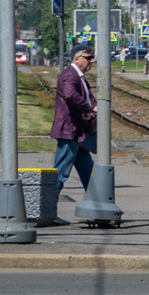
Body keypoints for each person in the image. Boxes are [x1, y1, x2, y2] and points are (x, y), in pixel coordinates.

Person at [50, 46, 98, 196]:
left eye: (92, 58)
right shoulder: (70, 75)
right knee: (60, 173)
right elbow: (70, 95)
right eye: (88, 58)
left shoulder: (79, 76)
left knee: (89, 173)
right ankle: (45, 211)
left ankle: (98, 206)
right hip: (69, 131)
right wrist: (88, 108)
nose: (92, 61)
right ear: (77, 59)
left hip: (78, 133)